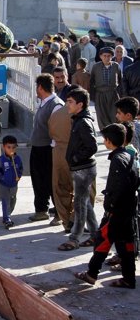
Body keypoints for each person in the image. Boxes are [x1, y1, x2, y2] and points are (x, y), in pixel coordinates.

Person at [74, 123, 137, 289]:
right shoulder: (129, 156)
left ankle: (91, 273)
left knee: (103, 240)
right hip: (128, 209)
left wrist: (111, 206)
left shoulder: (117, 160)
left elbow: (119, 185)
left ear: (108, 141)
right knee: (126, 245)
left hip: (116, 211)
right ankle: (129, 278)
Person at [58, 88, 98, 251]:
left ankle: (74, 238)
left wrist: (75, 159)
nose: (67, 104)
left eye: (70, 102)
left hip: (83, 169)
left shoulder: (83, 122)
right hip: (80, 168)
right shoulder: (78, 119)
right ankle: (96, 235)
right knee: (85, 203)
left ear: (80, 105)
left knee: (80, 205)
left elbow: (92, 146)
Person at [28, 74, 64, 222]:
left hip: (48, 149)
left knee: (51, 182)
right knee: (38, 181)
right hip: (37, 148)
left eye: (37, 87)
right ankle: (41, 209)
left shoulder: (56, 104)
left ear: (40, 87)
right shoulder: (43, 102)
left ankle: (59, 214)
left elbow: (56, 130)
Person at [48, 90, 75, 231]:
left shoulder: (56, 114)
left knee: (61, 188)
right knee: (83, 191)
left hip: (58, 151)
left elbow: (51, 132)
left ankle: (66, 221)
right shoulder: (78, 115)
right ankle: (75, 220)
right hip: (76, 154)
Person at [0, 135, 23, 229]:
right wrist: (1, 177)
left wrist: (19, 176)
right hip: (3, 185)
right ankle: (7, 219)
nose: (11, 150)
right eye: (8, 147)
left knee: (13, 200)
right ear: (4, 147)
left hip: (14, 184)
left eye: (13, 147)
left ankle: (8, 213)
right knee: (5, 200)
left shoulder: (18, 159)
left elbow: (21, 169)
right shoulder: (0, 160)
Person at [90, 46, 123, 131]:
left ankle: (115, 133)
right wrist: (93, 96)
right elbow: (91, 82)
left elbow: (120, 80)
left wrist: (120, 94)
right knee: (102, 116)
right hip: (100, 94)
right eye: (104, 56)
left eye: (109, 56)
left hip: (113, 94)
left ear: (112, 57)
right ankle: (106, 135)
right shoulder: (96, 67)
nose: (106, 58)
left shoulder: (116, 66)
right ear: (101, 56)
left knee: (114, 115)